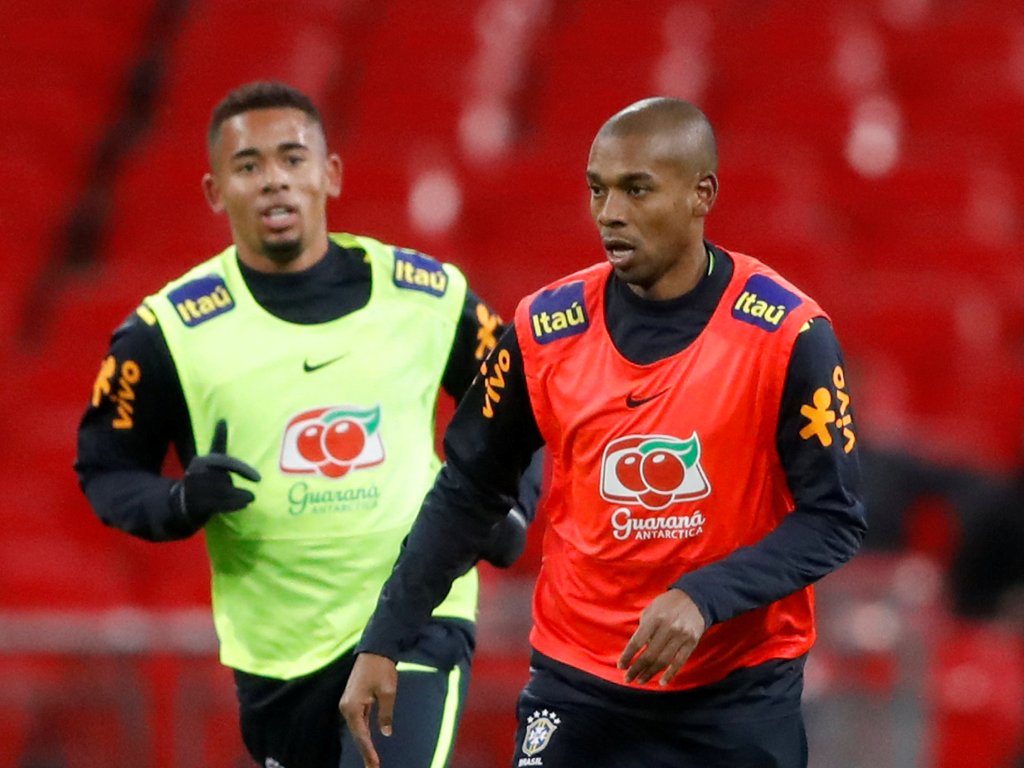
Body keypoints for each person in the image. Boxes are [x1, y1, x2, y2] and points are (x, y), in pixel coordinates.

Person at [340, 97, 868, 768]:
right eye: (598, 189)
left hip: (737, 692)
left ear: (702, 194)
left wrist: (705, 596)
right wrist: (385, 638)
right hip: (579, 683)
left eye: (636, 189)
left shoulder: (787, 335)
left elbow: (833, 519)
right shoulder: (544, 329)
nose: (610, 213)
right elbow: (468, 488)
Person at [75, 80, 541, 768]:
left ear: (331, 173)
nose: (275, 180)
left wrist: (513, 506)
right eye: (249, 166)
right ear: (214, 192)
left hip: (416, 617)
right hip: (277, 655)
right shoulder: (168, 331)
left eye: (293, 159)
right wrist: (178, 501)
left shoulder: (427, 296)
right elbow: (105, 467)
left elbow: (525, 399)